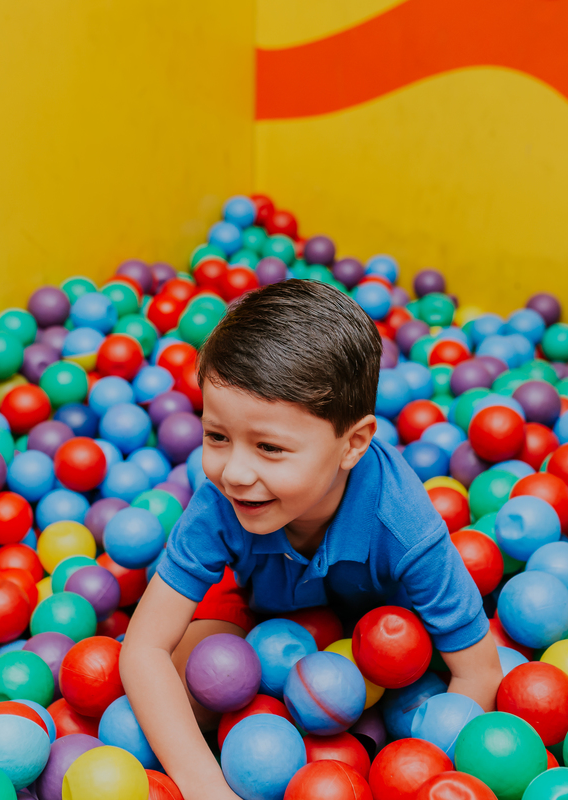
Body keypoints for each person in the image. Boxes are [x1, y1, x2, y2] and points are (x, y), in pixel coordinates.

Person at [121, 279, 501, 800]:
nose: (234, 472)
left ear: (355, 444)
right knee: (197, 683)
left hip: (382, 641)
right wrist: (205, 784)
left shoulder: (404, 524)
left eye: (270, 448)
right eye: (216, 436)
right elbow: (143, 649)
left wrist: (425, 775)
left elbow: (478, 671)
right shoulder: (220, 503)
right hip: (261, 614)